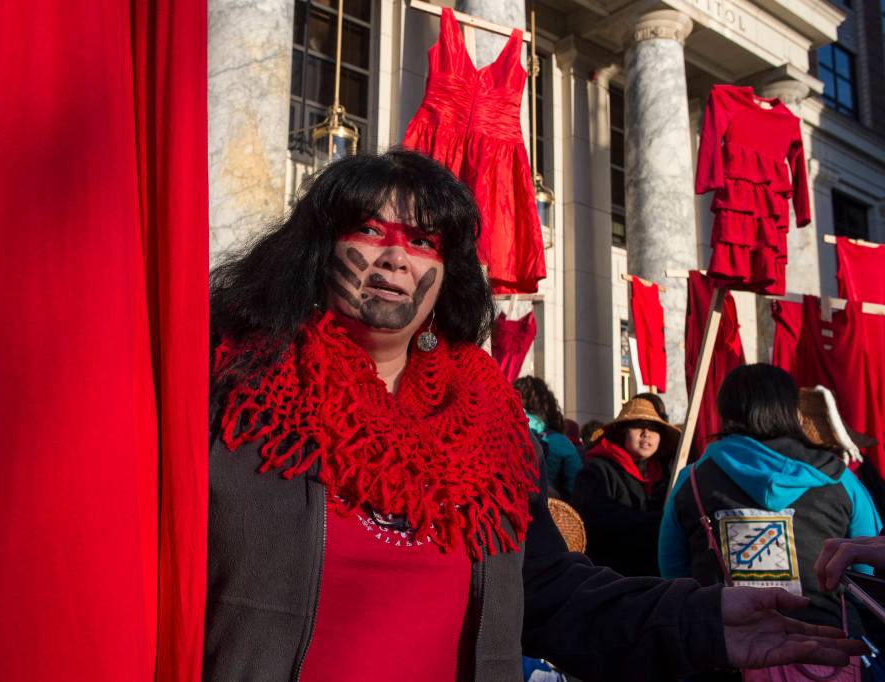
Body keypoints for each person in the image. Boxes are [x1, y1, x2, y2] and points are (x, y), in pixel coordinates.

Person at [207, 150, 864, 681]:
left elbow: (547, 592)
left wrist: (706, 621)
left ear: (447, 272)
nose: (395, 256)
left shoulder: (488, 421)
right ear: (319, 248)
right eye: (370, 229)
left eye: (423, 238)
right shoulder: (234, 394)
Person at [660, 364, 881, 679]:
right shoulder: (840, 479)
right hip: (827, 655)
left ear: (726, 410)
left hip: (723, 656)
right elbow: (869, 573)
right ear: (792, 410)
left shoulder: (692, 479)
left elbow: (673, 573)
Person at [571, 397, 679, 576]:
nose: (646, 433)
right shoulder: (596, 471)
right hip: (612, 576)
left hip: (657, 576)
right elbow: (597, 522)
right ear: (622, 432)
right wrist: (659, 520)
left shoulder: (666, 475)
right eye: (638, 425)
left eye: (653, 428)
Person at [514, 376, 581, 500]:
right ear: (547, 404)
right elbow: (577, 489)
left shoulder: (507, 430)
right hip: (550, 511)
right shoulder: (562, 443)